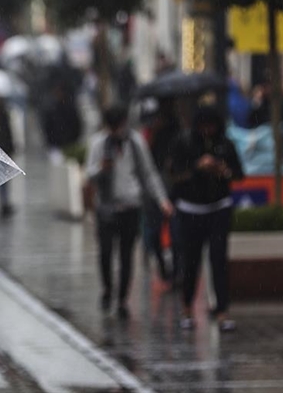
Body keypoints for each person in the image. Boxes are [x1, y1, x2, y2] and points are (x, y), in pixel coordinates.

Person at [85, 106, 174, 319]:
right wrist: (101, 168)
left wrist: (162, 200)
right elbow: (89, 173)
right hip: (106, 207)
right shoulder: (98, 143)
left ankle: (122, 299)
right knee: (106, 253)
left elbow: (148, 173)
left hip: (131, 207)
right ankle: (107, 289)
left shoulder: (135, 143)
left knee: (126, 255)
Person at [170, 106, 244, 332]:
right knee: (191, 261)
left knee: (219, 260)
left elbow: (239, 174)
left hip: (219, 208)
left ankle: (222, 311)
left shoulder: (225, 144)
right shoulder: (184, 142)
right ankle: (187, 309)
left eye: (211, 126)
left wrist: (223, 170)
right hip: (191, 209)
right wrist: (197, 168)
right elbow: (173, 174)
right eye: (204, 126)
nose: (207, 131)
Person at [140, 98, 181, 285]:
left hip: (172, 186)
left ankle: (176, 271)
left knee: (175, 231)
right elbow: (145, 160)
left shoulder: (177, 130)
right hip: (153, 189)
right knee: (154, 231)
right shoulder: (149, 133)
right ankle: (164, 268)